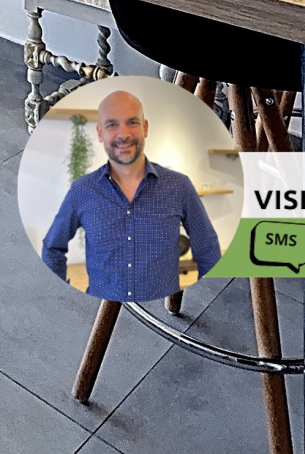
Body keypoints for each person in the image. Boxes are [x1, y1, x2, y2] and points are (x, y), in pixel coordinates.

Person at [41, 87, 221, 302]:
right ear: (100, 133)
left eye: (132, 122)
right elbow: (52, 249)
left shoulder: (179, 186)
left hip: (160, 302)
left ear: (145, 128)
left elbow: (208, 249)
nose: (123, 135)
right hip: (100, 303)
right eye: (112, 125)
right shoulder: (82, 191)